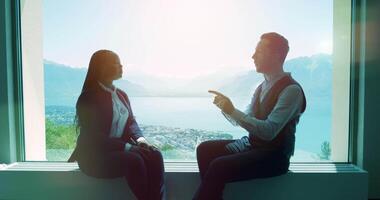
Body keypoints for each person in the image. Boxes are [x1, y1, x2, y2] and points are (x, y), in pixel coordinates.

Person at [193, 32, 307, 200]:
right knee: (205, 149)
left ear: (276, 55)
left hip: (274, 157)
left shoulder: (291, 90)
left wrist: (232, 110)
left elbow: (269, 132)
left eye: (259, 51)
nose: (253, 56)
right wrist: (226, 108)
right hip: (253, 146)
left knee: (218, 166)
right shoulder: (261, 87)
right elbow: (246, 118)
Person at [68, 50, 165, 200]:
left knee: (155, 155)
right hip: (94, 157)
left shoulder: (121, 95)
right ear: (102, 67)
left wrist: (141, 140)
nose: (121, 66)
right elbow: (94, 137)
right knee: (134, 160)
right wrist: (128, 147)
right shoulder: (88, 97)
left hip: (117, 151)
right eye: (116, 63)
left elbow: (131, 122)